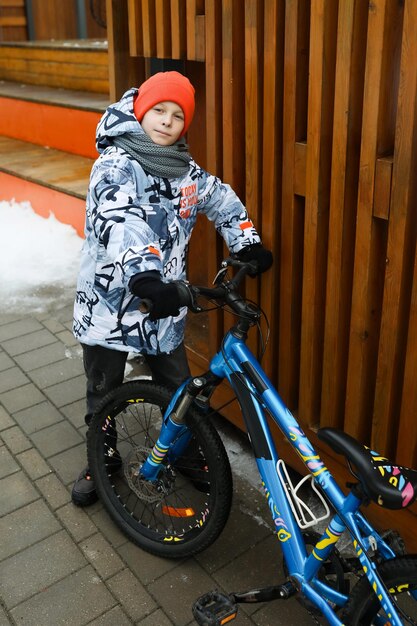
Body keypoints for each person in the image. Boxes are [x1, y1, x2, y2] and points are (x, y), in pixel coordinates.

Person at [71, 71, 272, 506]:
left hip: (164, 302)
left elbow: (221, 200)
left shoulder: (185, 170)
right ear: (141, 111)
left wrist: (247, 242)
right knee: (104, 384)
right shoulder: (116, 163)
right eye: (159, 110)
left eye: (177, 115)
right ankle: (100, 455)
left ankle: (176, 450)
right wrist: (144, 275)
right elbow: (120, 219)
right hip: (112, 301)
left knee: (178, 383)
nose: (166, 121)